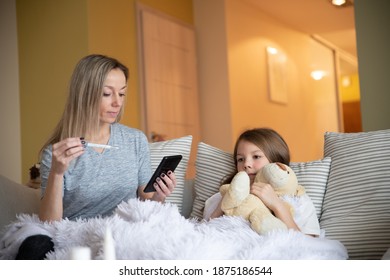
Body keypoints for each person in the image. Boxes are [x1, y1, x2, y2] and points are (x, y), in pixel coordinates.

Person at [16, 54, 177, 259]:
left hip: (123, 237)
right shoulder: (56, 153)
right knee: (34, 246)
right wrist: (57, 172)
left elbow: (145, 205)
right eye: (107, 94)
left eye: (122, 93)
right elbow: (50, 224)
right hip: (77, 241)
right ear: (85, 94)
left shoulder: (135, 140)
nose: (117, 103)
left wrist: (160, 195)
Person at [203, 128, 320, 237]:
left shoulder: (298, 198)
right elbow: (204, 233)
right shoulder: (221, 195)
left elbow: (308, 244)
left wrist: (277, 204)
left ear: (276, 161)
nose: (246, 164)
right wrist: (224, 204)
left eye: (256, 156)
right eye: (240, 159)